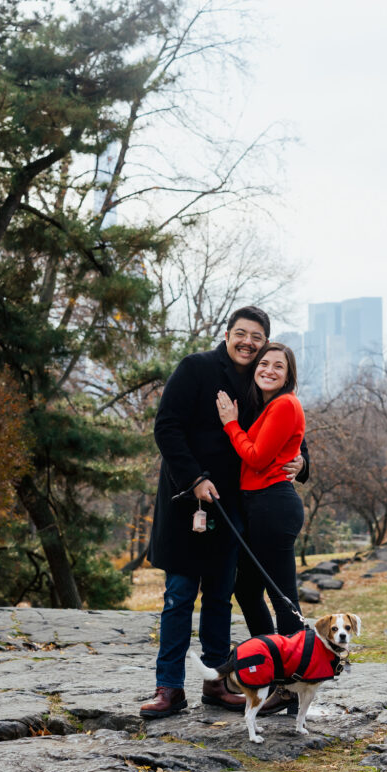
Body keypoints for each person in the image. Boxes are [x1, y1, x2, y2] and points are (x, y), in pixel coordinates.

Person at [139, 307, 308, 719]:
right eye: (242, 334)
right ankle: (168, 688)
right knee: (179, 595)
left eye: (257, 337)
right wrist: (194, 477)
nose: (248, 343)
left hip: (235, 508)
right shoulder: (196, 368)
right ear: (228, 334)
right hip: (187, 502)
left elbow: (286, 430)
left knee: (219, 596)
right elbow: (167, 426)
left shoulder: (258, 382)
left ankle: (216, 683)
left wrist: (303, 461)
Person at [216, 342, 306, 640]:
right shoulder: (267, 405)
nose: (269, 370)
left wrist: (230, 424)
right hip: (258, 505)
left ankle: (293, 676)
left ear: (288, 375)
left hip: (273, 505)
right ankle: (271, 657)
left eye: (278, 366)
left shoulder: (284, 404)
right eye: (264, 363)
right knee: (247, 590)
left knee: (282, 597)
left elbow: (256, 457)